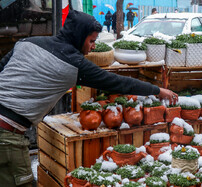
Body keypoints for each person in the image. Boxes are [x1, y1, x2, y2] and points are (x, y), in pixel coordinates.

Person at [0, 10, 178, 186]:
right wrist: (157, 90)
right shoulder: (74, 64)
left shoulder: (26, 43)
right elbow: (117, 82)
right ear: (78, 37)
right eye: (91, 41)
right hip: (7, 137)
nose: (93, 46)